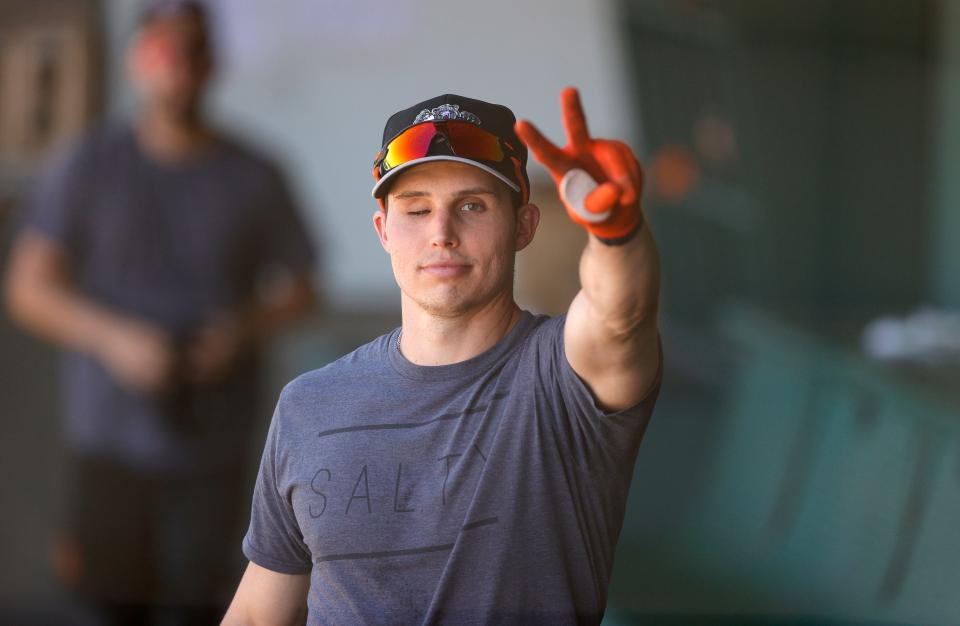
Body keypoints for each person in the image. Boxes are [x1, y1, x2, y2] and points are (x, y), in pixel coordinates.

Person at [222, 89, 661, 626]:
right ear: (384, 230)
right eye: (417, 209)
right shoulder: (308, 405)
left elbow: (621, 317)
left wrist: (618, 232)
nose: (442, 233)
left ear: (523, 225)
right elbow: (255, 613)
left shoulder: (564, 378)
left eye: (472, 206)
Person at [3, 1, 317, 624]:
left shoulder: (255, 172)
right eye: (162, 50)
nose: (177, 67)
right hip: (110, 441)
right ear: (135, 61)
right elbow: (28, 287)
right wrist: (113, 338)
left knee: (209, 603)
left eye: (192, 50)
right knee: (107, 604)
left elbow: (304, 286)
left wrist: (240, 330)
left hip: (219, 444)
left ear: (212, 62)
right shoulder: (88, 163)